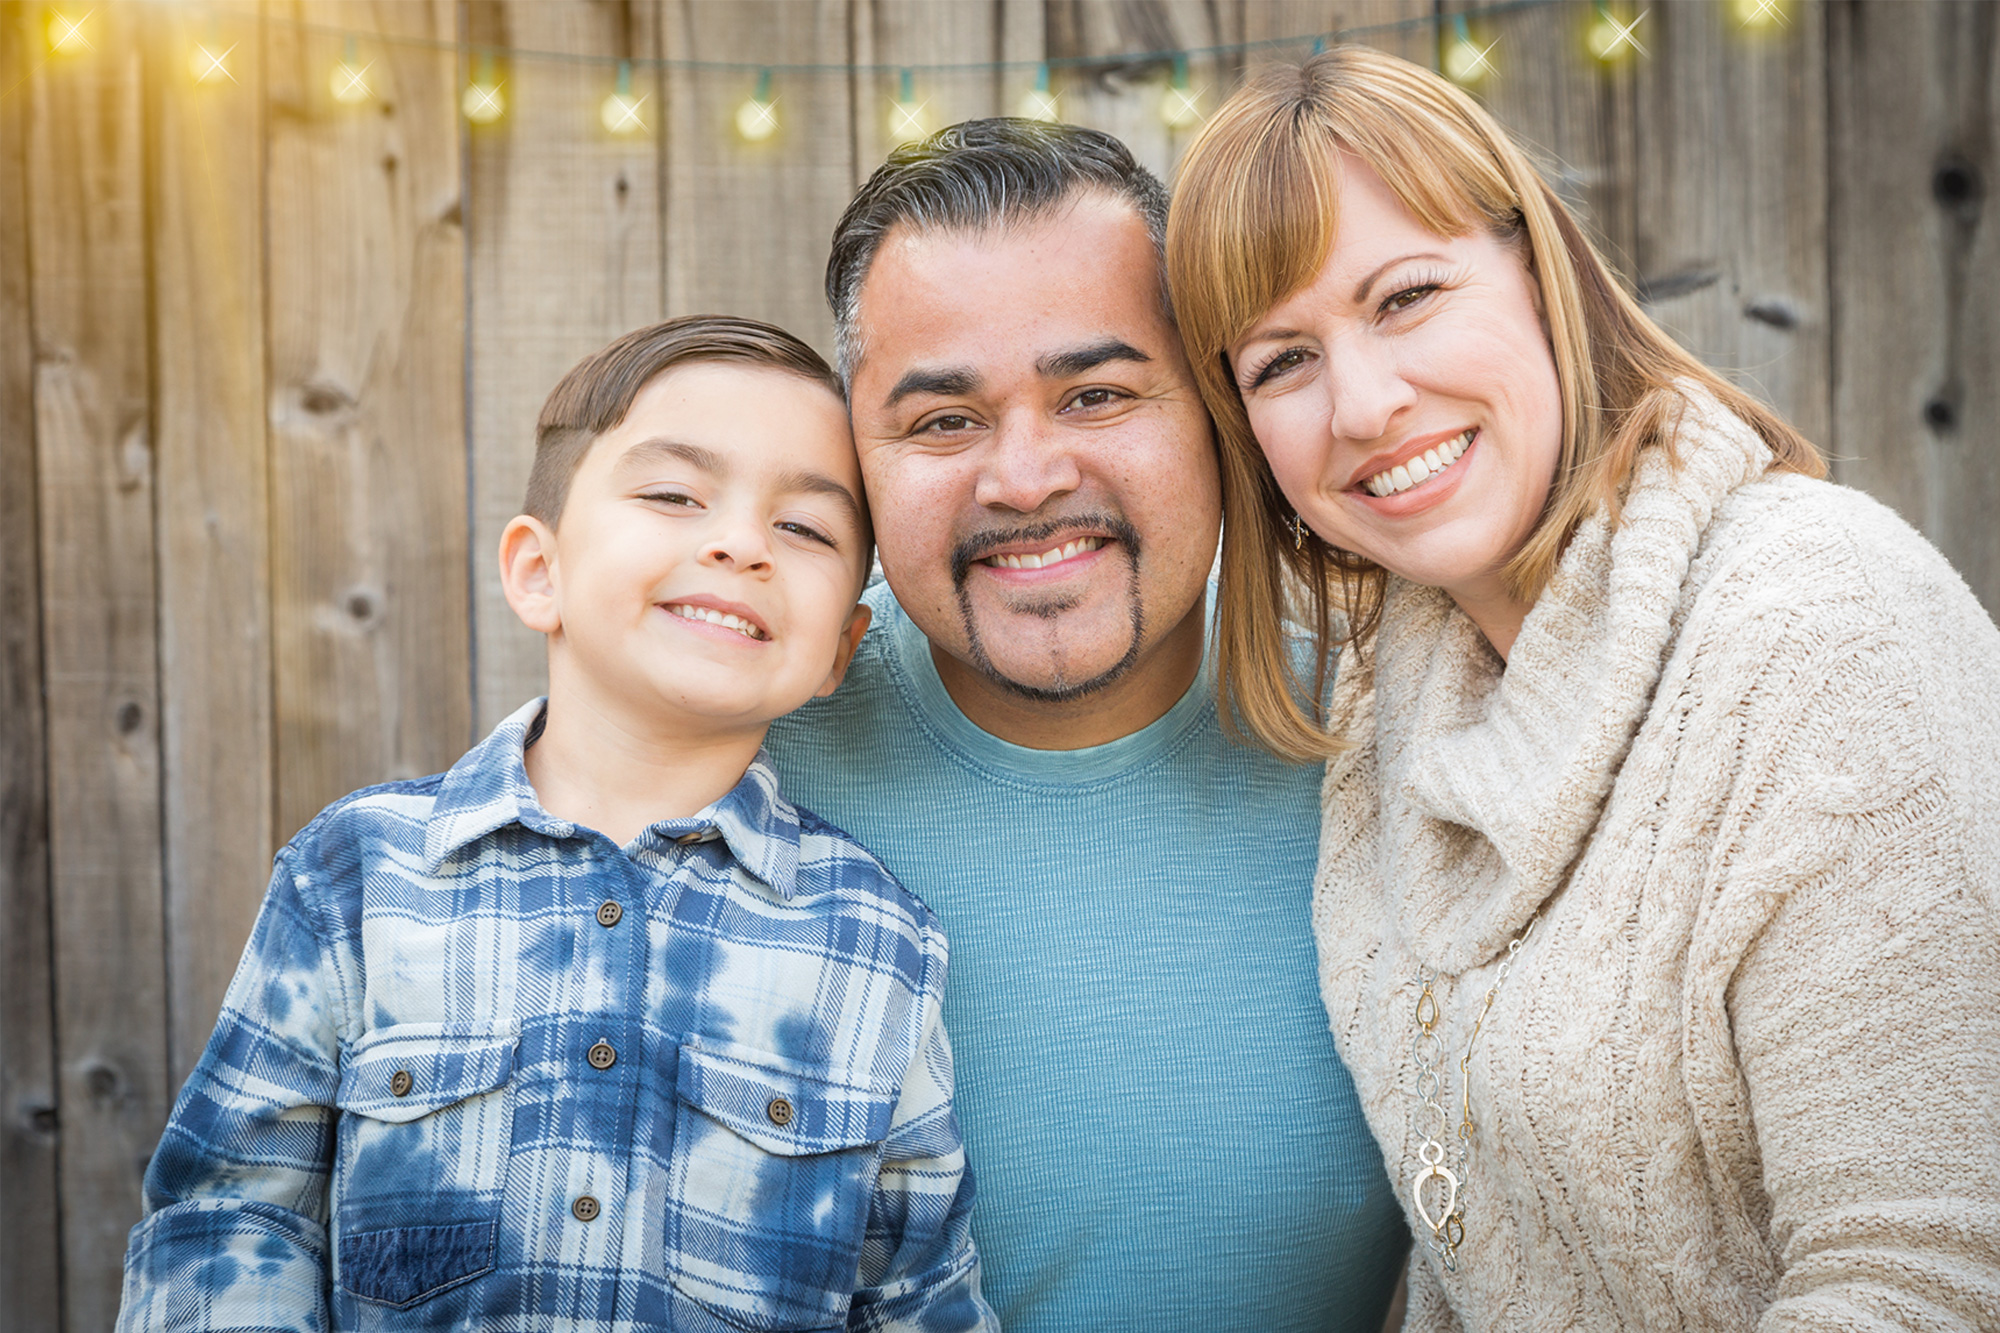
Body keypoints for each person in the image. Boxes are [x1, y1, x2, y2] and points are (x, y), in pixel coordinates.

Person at [1168, 45, 2000, 1332]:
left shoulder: (1816, 630)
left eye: (1404, 296)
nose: (1365, 403)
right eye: (1281, 361)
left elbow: (1929, 1280)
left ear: (1537, 271)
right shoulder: (1388, 708)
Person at [117, 317, 996, 1333]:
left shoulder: (872, 940)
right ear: (539, 570)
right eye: (674, 494)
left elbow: (915, 1293)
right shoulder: (357, 875)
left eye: (804, 528)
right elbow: (227, 1214)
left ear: (841, 646)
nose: (740, 544)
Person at [765, 119, 1408, 1332]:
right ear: (852, 455)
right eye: (943, 421)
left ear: (1215, 411)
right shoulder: (738, 753)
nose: (1022, 477)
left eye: (1096, 394)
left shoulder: (1391, 725)